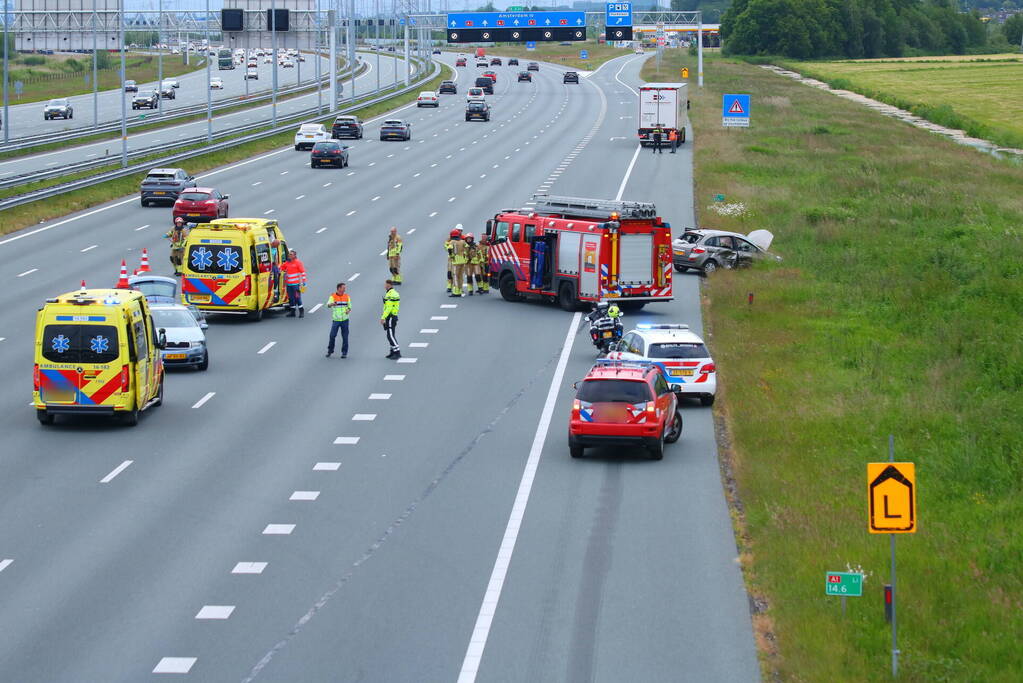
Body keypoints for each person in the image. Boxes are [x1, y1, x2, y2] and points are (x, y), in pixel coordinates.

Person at [325, 282, 352, 358]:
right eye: (343, 288)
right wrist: (332, 304)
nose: (345, 289)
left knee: (345, 337)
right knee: (332, 336)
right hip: (336, 320)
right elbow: (328, 305)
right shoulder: (333, 296)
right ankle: (330, 350)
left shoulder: (347, 296)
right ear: (339, 288)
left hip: (345, 320)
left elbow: (350, 306)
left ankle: (344, 353)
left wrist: (348, 310)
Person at [280, 249, 307, 317]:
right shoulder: (287, 263)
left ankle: (301, 311)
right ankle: (292, 312)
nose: (289, 255)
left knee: (297, 298)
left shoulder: (298, 263)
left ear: (294, 256)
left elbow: (303, 272)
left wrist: (304, 282)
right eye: (289, 254)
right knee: (291, 298)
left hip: (296, 285)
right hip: (289, 285)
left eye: (291, 254)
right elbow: (281, 268)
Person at [381, 279, 401, 359]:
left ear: (389, 285)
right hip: (392, 316)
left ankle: (397, 351)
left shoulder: (391, 294)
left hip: (390, 316)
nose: (384, 286)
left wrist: (383, 317)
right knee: (391, 334)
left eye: (385, 284)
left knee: (390, 335)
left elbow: (388, 307)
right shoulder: (392, 293)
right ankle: (392, 351)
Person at [449, 229, 468, 297]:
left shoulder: (452, 242)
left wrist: (452, 256)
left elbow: (449, 249)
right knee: (460, 276)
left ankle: (456, 292)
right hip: (463, 261)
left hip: (456, 261)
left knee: (455, 276)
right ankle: (460, 290)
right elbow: (467, 247)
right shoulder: (463, 241)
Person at [445, 225, 462, 293]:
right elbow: (446, 245)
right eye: (458, 230)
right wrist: (450, 250)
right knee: (449, 272)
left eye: (461, 230)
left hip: (459, 259)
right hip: (451, 257)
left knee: (457, 274)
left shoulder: (462, 238)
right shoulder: (450, 238)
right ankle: (449, 286)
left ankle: (458, 288)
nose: (459, 231)